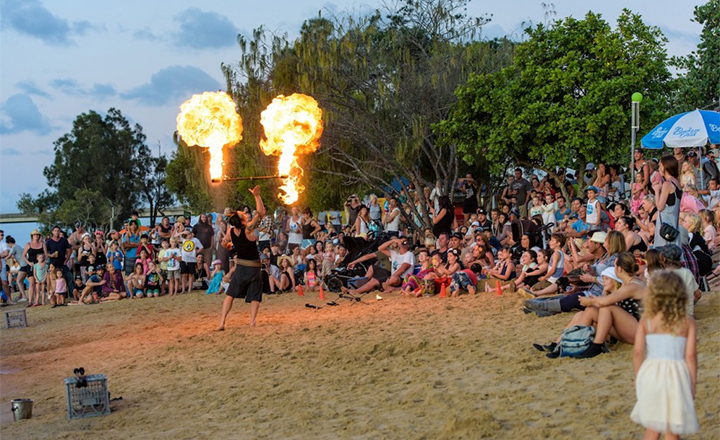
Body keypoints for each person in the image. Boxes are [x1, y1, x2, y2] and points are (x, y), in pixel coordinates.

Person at [630, 271, 699, 439]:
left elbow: (638, 351)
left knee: (652, 427)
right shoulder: (687, 322)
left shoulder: (646, 320)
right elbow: (690, 356)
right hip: (676, 375)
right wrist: (692, 382)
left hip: (651, 373)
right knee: (671, 427)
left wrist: (638, 376)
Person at [219, 186, 266, 329]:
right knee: (255, 296)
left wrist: (231, 248)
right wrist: (257, 196)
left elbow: (224, 243)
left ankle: (222, 322)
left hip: (240, 267)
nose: (244, 213)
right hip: (253, 268)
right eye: (242, 214)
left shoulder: (230, 231)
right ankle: (252, 322)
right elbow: (261, 213)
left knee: (230, 294)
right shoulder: (249, 229)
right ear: (242, 219)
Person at [652, 155, 682, 248]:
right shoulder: (676, 182)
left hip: (665, 223)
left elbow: (660, 207)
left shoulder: (667, 184)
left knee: (664, 250)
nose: (659, 168)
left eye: (660, 165)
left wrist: (657, 190)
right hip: (673, 222)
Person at [46, 226, 73, 299]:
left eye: (58, 231)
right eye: (55, 231)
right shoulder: (49, 242)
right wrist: (51, 255)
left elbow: (69, 250)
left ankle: (71, 294)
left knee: (69, 277)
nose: (57, 232)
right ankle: (55, 297)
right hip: (54, 264)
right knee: (54, 281)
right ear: (52, 232)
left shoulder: (64, 240)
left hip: (62, 263)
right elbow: (44, 253)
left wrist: (66, 260)